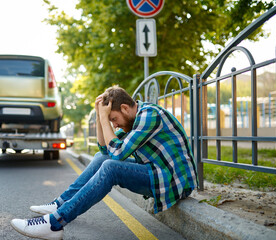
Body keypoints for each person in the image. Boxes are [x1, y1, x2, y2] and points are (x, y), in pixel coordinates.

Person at [10, 86, 198, 239]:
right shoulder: (132, 118)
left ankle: (55, 223)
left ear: (125, 108)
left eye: (113, 119)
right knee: (102, 159)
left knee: (111, 167)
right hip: (157, 171)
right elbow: (105, 150)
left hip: (172, 181)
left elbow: (116, 155)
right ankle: (60, 204)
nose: (114, 125)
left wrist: (103, 118)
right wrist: (101, 117)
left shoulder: (149, 116)